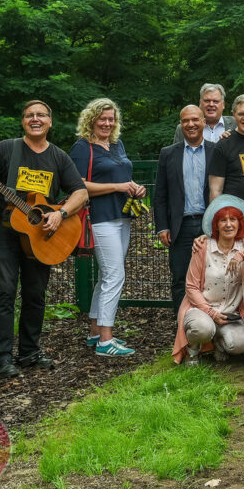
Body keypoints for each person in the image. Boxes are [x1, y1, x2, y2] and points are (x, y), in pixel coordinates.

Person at [0, 100, 88, 377]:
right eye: (29, 115)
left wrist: (60, 214)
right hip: (3, 231)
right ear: (23, 121)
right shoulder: (6, 149)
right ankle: (3, 358)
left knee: (36, 295)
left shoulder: (59, 157)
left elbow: (81, 193)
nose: (35, 119)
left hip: (40, 232)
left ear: (50, 121)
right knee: (3, 293)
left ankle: (29, 352)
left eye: (41, 115)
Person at [70, 98, 145, 357]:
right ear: (91, 119)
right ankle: (106, 340)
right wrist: (118, 187)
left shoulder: (116, 144)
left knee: (106, 277)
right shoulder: (82, 148)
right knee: (115, 276)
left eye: (111, 119)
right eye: (102, 118)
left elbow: (120, 176)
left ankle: (94, 332)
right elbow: (77, 185)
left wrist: (134, 186)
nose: (107, 123)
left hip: (121, 216)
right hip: (99, 218)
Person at [172, 195, 244, 365]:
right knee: (202, 328)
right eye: (223, 220)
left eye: (233, 219)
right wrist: (212, 313)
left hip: (230, 313)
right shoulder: (203, 247)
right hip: (201, 308)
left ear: (240, 224)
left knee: (241, 345)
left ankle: (218, 344)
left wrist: (243, 254)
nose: (228, 224)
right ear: (216, 225)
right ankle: (192, 350)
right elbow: (191, 287)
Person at [154, 105, 215, 314]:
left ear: (204, 122)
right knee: (180, 276)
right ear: (181, 124)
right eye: (185, 121)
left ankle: (209, 323)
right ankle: (183, 325)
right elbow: (160, 194)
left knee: (211, 276)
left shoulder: (217, 151)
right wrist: (162, 226)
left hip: (211, 226)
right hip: (181, 226)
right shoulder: (168, 154)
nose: (191, 124)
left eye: (195, 120)